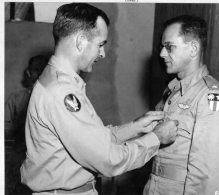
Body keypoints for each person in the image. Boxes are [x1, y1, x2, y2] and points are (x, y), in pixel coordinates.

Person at [20, 3, 179, 195]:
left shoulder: (57, 81)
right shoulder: (61, 92)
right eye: (100, 44)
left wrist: (135, 127)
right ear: (80, 41)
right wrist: (157, 138)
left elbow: (94, 140)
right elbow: (108, 159)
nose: (102, 53)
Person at [143, 15, 219, 195]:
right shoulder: (172, 91)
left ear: (193, 48)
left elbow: (208, 177)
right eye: (162, 47)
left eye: (169, 47)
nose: (162, 53)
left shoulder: (211, 96)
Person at [5, 55, 48, 195]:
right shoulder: (16, 99)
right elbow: (4, 127)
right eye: (36, 69)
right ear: (29, 73)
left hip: (45, 161)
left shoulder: (53, 98)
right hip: (20, 158)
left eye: (43, 69)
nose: (40, 73)